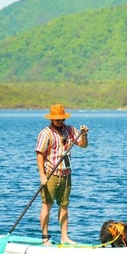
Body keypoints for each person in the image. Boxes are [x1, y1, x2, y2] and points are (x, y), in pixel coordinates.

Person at [35, 104, 89, 245]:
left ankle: (64, 237)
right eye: (57, 119)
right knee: (47, 204)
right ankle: (45, 237)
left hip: (66, 174)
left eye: (61, 119)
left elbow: (83, 145)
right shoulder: (45, 133)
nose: (59, 121)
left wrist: (84, 134)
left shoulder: (70, 130)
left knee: (64, 205)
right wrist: (42, 175)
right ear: (52, 119)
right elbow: (39, 154)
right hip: (50, 174)